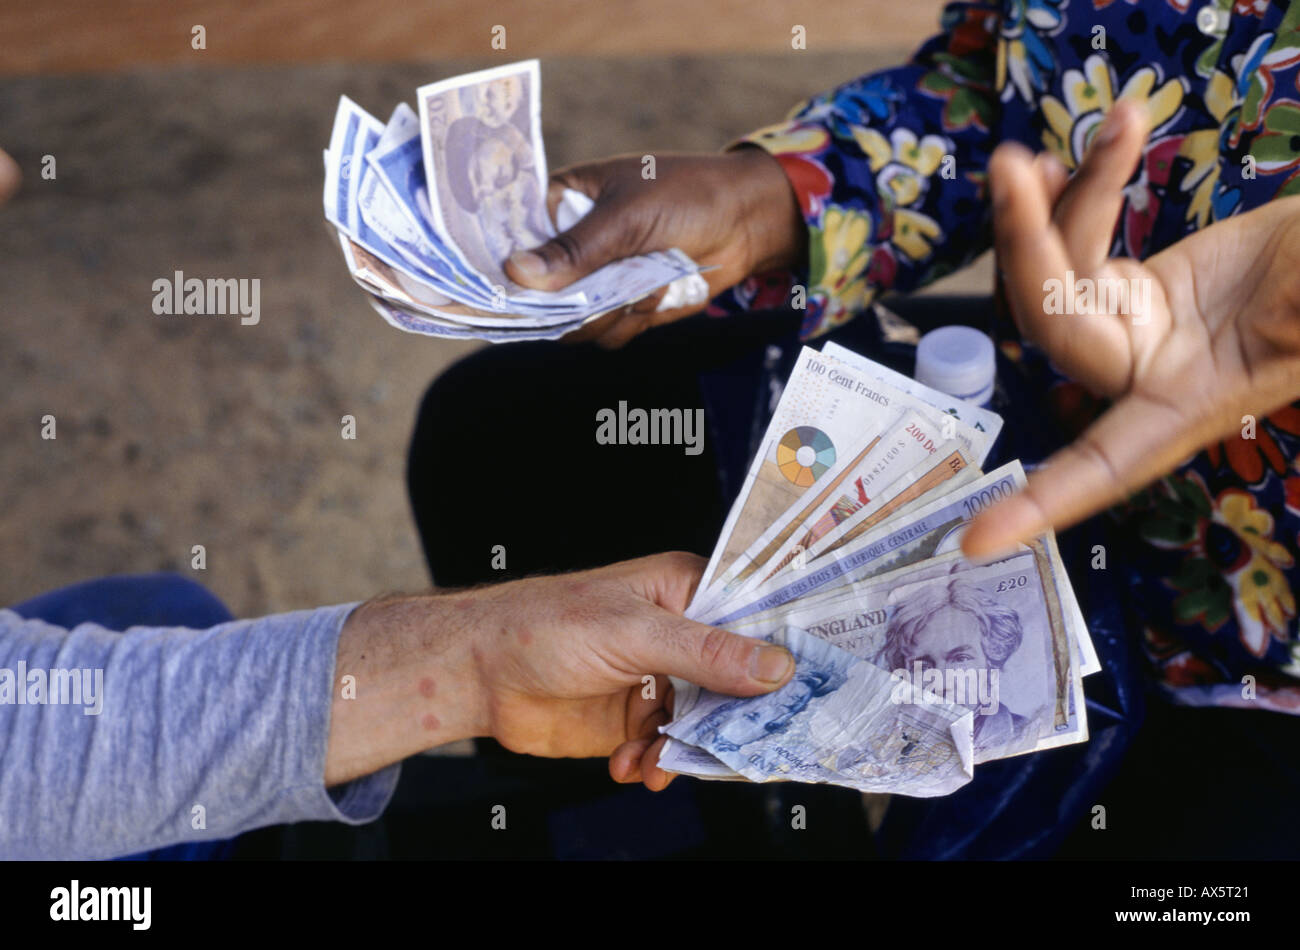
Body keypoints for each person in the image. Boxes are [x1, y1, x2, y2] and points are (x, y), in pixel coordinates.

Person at [412, 0, 1300, 856]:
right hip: (1050, 426)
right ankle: (644, 827)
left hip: (1265, 665)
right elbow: (999, 85)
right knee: (503, 436)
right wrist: (782, 193)